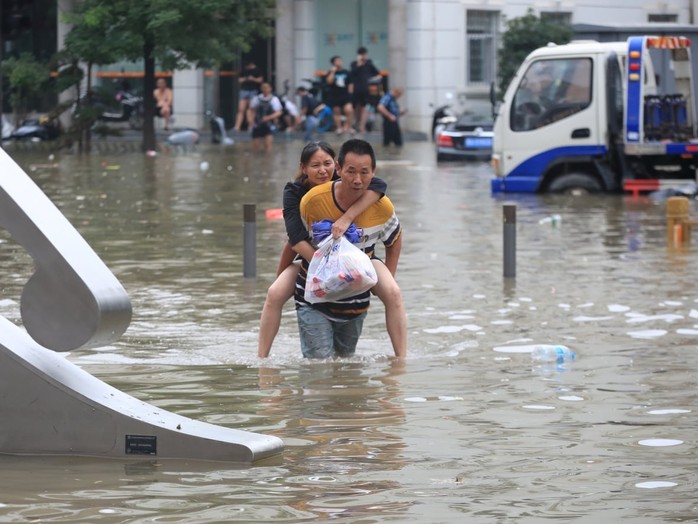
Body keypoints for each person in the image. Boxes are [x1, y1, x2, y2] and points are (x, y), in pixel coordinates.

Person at [257, 141, 407, 359]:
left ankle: (401, 360)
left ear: (335, 166)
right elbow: (294, 240)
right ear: (304, 168)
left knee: (393, 292)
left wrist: (347, 218)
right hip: (311, 256)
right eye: (315, 165)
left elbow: (379, 187)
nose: (322, 170)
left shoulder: (356, 185)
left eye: (326, 163)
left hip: (361, 258)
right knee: (274, 293)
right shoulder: (300, 195)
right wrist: (324, 265)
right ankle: (262, 359)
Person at [350, 47, 382, 133]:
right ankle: (355, 123)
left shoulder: (369, 64)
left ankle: (362, 126)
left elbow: (378, 74)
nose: (363, 56)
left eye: (364, 54)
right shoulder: (354, 64)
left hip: (366, 89)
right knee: (355, 107)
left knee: (365, 107)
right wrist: (359, 64)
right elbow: (352, 73)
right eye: (361, 54)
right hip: (356, 89)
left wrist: (373, 79)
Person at [247, 82, 283, 152]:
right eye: (263, 87)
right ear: (261, 88)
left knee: (268, 145)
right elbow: (251, 110)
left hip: (269, 125)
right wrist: (250, 119)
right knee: (255, 147)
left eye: (267, 87)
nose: (265, 89)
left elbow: (278, 112)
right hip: (257, 124)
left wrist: (268, 117)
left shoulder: (274, 99)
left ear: (270, 88)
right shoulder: (256, 98)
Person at [325, 56, 354, 134]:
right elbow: (329, 82)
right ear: (333, 63)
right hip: (335, 95)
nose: (339, 62)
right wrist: (333, 72)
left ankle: (348, 127)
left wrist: (350, 95)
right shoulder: (330, 72)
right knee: (337, 112)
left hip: (345, 95)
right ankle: (339, 128)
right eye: (337, 61)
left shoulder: (346, 72)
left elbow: (350, 84)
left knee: (349, 110)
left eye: (340, 61)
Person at [234, 61, 263, 132]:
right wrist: (247, 78)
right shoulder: (244, 71)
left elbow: (260, 80)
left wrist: (253, 79)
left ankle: (251, 125)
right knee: (241, 109)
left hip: (253, 90)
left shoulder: (257, 71)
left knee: (251, 109)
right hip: (244, 90)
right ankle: (237, 126)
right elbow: (240, 80)